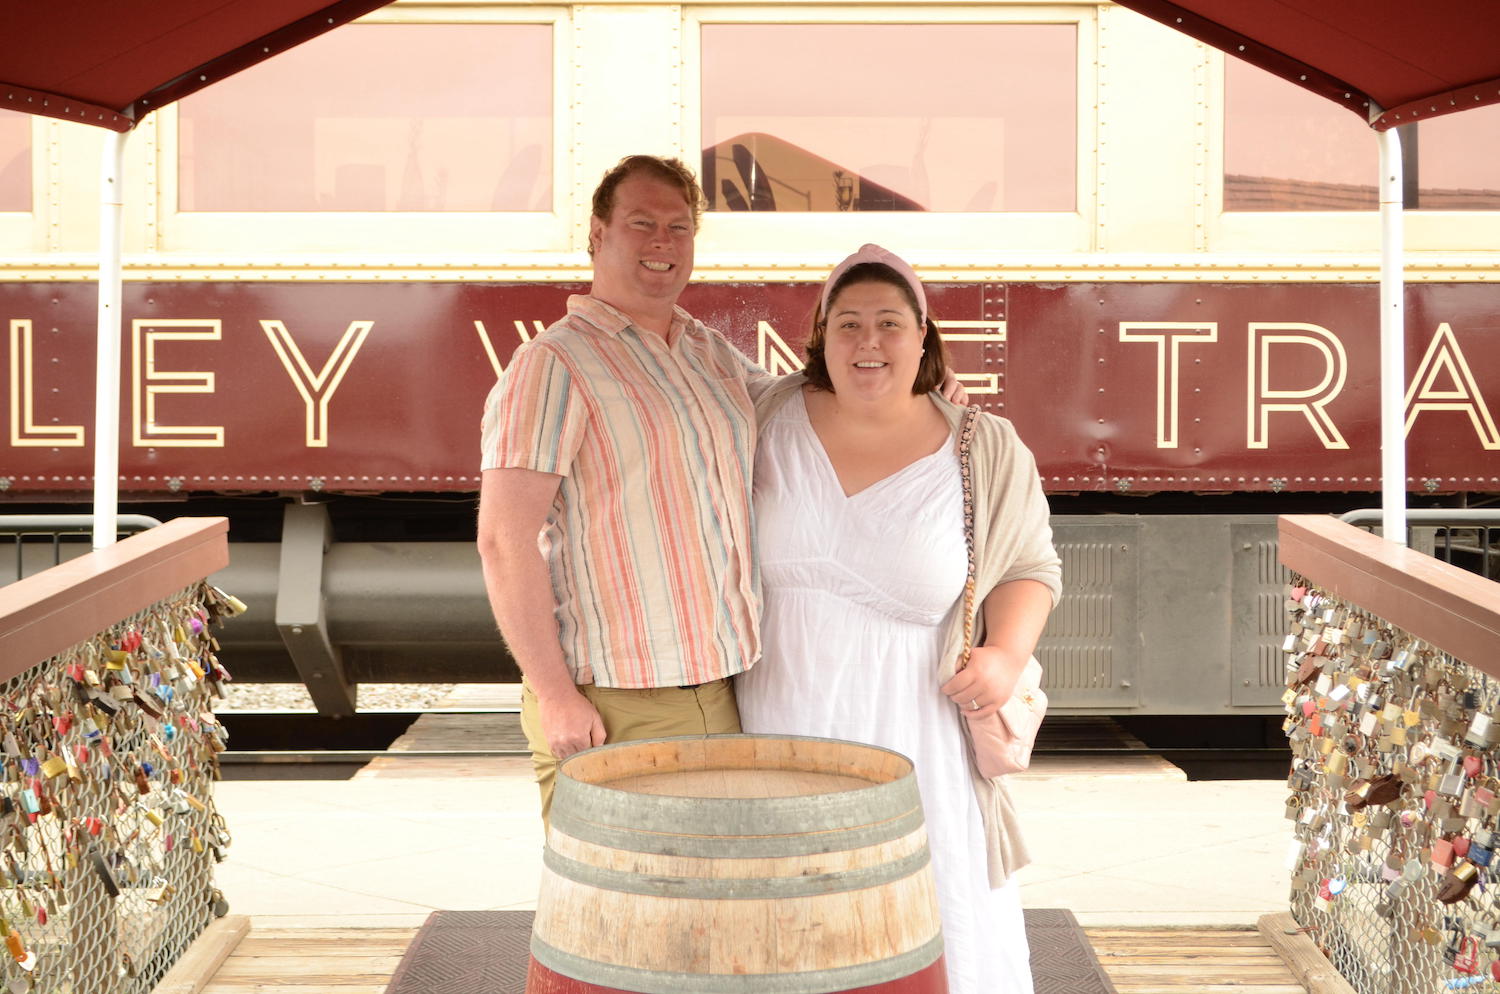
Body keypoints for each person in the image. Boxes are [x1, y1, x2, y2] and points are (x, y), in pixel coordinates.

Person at [735, 244, 1062, 994]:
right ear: (820, 336)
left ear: (924, 336)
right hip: (780, 730)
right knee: (790, 930)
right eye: (848, 324)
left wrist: (1006, 655)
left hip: (917, 740)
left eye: (890, 322)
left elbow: (1030, 568)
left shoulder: (985, 447)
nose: (869, 343)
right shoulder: (766, 417)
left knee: (923, 925)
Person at [477, 155, 767, 824]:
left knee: (711, 911)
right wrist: (555, 696)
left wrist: (920, 394)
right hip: (615, 705)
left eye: (679, 226)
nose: (664, 242)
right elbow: (503, 538)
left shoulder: (707, 352)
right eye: (642, 223)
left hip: (722, 692)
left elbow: (806, 410)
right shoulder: (554, 363)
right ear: (598, 235)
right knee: (622, 921)